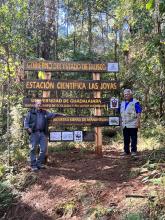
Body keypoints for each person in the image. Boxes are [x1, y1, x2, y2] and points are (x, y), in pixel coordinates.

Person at [24, 100, 64, 171]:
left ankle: (39, 164)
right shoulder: (30, 113)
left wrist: (60, 114)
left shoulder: (44, 113)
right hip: (34, 133)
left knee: (43, 149)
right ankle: (33, 165)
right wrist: (27, 128)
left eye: (40, 104)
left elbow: (52, 114)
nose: (39, 105)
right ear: (35, 104)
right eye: (38, 104)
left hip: (42, 133)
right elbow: (26, 121)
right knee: (33, 149)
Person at [120, 89, 142, 156]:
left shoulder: (135, 102)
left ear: (131, 94)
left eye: (127, 94)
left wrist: (138, 122)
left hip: (133, 124)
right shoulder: (122, 103)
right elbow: (120, 113)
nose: (126, 95)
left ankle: (133, 151)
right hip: (125, 124)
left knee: (133, 138)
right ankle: (126, 151)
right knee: (126, 138)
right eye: (125, 94)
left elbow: (138, 112)